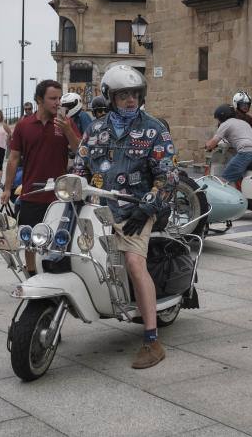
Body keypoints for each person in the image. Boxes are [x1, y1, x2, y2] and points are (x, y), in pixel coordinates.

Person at [73, 65, 176, 369]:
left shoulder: (155, 129)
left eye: (134, 94)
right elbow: (80, 167)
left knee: (133, 263)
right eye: (123, 95)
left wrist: (147, 206)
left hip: (136, 209)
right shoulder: (95, 130)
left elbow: (168, 175)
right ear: (111, 97)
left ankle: (151, 339)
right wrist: (74, 189)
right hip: (98, 207)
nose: (131, 100)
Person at [1, 80, 80, 274]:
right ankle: (31, 272)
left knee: (59, 237)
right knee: (28, 237)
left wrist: (67, 129)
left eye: (60, 98)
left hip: (58, 195)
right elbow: (13, 158)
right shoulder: (23, 125)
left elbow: (79, 150)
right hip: (31, 191)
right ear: (39, 100)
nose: (58, 102)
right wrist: (7, 188)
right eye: (53, 98)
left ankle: (55, 271)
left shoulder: (66, 122)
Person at [205, 104, 252, 184]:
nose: (218, 121)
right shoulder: (244, 123)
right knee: (241, 174)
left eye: (218, 119)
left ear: (221, 116)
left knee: (225, 179)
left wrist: (207, 146)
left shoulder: (225, 124)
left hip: (247, 152)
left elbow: (212, 143)